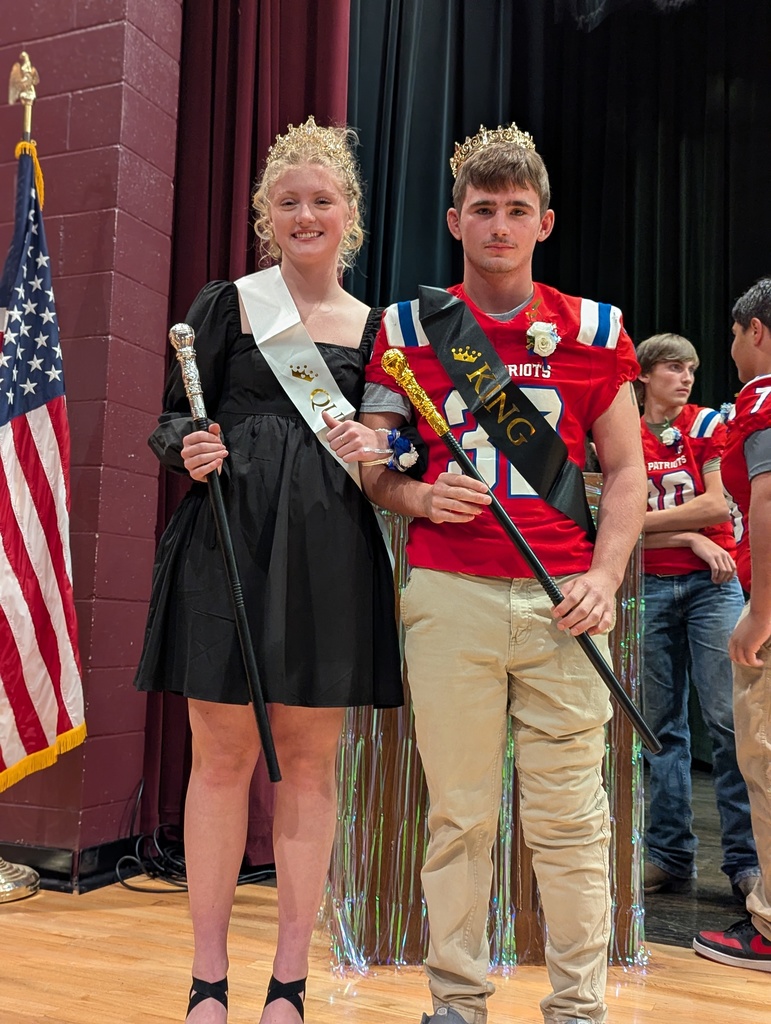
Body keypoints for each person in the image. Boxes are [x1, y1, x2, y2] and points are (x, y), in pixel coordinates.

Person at [359, 124, 647, 1024]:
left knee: (570, 822)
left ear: (544, 223)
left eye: (515, 211)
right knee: (461, 817)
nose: (497, 226)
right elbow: (372, 461)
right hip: (450, 592)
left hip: (566, 599)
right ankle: (455, 1000)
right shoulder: (406, 328)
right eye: (481, 210)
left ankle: (578, 1006)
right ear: (454, 220)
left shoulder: (595, 329)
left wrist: (605, 577)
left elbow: (628, 471)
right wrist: (411, 497)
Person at [134, 117, 404, 1024]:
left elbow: (394, 443)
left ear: (349, 217)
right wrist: (189, 448)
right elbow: (170, 419)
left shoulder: (380, 329)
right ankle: (206, 980)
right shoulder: (229, 306)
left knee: (308, 763)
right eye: (287, 201)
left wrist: (385, 440)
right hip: (227, 543)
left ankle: (287, 982)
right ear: (265, 217)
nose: (304, 213)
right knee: (219, 758)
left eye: (321, 200)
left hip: (327, 554)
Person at [635, 334, 759, 899]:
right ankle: (668, 855)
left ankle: (746, 864)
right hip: (648, 586)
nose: (685, 378)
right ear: (645, 375)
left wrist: (646, 522)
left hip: (712, 587)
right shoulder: (622, 431)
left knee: (729, 723)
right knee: (659, 730)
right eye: (673, 368)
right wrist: (686, 534)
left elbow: (716, 504)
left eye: (692, 368)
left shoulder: (706, 424)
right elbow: (610, 514)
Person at [694, 278, 771, 971]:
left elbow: (768, 500)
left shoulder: (762, 397)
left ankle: (770, 928)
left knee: (766, 762)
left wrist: (760, 611)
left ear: (754, 332)